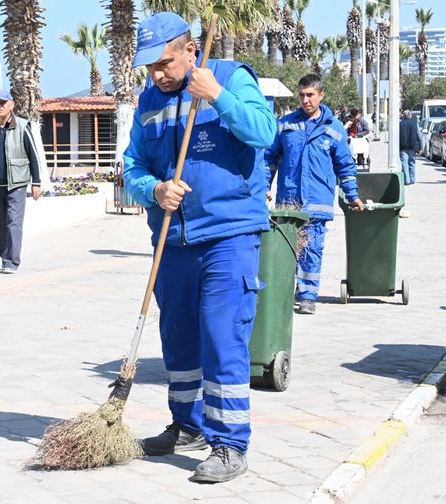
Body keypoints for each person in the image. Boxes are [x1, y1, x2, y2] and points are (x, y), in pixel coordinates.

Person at [123, 12, 276, 483]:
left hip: (229, 235)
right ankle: (187, 425)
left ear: (191, 51)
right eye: (150, 67)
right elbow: (132, 167)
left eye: (164, 64)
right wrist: (154, 189)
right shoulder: (148, 102)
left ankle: (229, 443)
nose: (157, 74)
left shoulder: (231, 77)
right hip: (172, 239)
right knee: (179, 337)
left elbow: (264, 132)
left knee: (221, 336)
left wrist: (218, 96)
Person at [265, 74, 364, 316]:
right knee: (287, 249)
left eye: (310, 95)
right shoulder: (285, 125)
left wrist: (352, 195)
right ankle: (286, 291)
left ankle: (308, 295)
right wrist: (263, 186)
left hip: (318, 202)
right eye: (302, 95)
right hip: (289, 202)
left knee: (312, 249)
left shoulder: (334, 128)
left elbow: (345, 165)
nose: (306, 100)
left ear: (321, 95)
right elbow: (269, 158)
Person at [0, 89, 42, 274]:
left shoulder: (22, 126)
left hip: (17, 184)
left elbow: (33, 155)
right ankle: (4, 256)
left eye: (3, 103)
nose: (0, 106)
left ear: (11, 104)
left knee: (13, 223)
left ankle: (11, 262)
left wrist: (36, 182)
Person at [399, 109, 422, 186]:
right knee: (412, 162)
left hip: (403, 147)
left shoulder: (400, 124)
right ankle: (412, 179)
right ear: (410, 116)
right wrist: (421, 147)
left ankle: (407, 180)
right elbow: (419, 136)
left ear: (403, 116)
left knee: (404, 163)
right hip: (413, 146)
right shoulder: (415, 124)